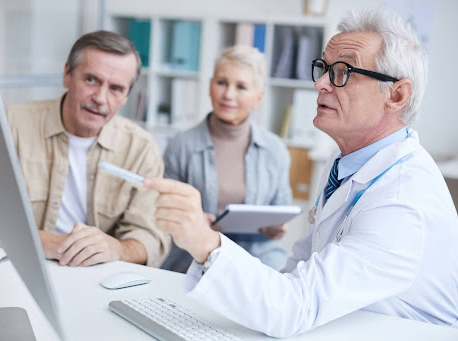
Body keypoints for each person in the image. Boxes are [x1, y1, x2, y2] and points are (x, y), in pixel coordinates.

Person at [144, 9, 458, 337]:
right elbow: (300, 266)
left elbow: (297, 307)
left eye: (343, 71)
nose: (320, 83)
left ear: (396, 95)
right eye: (323, 68)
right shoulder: (344, 159)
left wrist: (204, 241)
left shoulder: (402, 199)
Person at [0, 31, 169, 268]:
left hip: (99, 276)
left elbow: (151, 234)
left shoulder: (140, 148)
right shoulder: (11, 123)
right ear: (67, 74)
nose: (100, 97)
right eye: (91, 80)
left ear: (126, 96)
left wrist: (117, 248)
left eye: (115, 88)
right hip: (16, 266)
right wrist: (45, 243)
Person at [160, 45, 292, 273]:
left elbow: (281, 209)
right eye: (222, 83)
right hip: (194, 257)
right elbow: (165, 210)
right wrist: (191, 221)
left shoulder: (275, 150)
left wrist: (276, 228)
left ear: (258, 98)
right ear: (210, 86)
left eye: (241, 87)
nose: (228, 94)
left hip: (257, 258)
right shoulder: (180, 145)